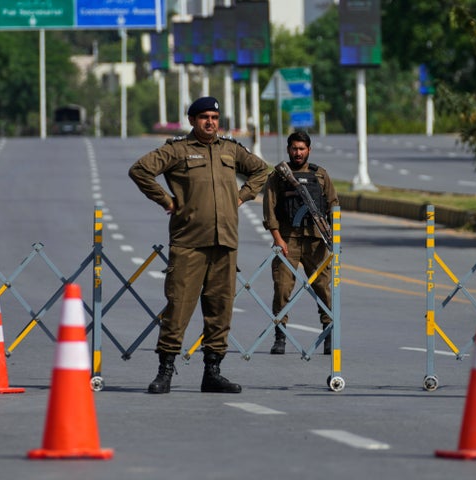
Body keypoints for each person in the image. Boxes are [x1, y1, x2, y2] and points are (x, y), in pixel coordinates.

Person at [129, 96, 269, 394]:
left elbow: (261, 170)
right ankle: (165, 371)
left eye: (215, 117)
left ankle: (213, 372)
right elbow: (140, 170)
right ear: (192, 120)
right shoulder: (178, 150)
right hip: (189, 243)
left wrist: (242, 196)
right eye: (204, 117)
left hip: (225, 242)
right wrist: (166, 200)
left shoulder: (230, 149)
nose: (210, 122)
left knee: (220, 309)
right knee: (178, 307)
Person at [262, 130, 339, 355]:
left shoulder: (320, 175)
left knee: (323, 288)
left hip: (316, 241)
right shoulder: (279, 176)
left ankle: (329, 334)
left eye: (302, 149)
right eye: (294, 148)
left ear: (309, 150)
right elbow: (270, 209)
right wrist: (278, 239)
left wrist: (333, 232)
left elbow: (333, 204)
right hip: (288, 240)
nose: (298, 153)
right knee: (283, 287)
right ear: (288, 150)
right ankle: (280, 336)